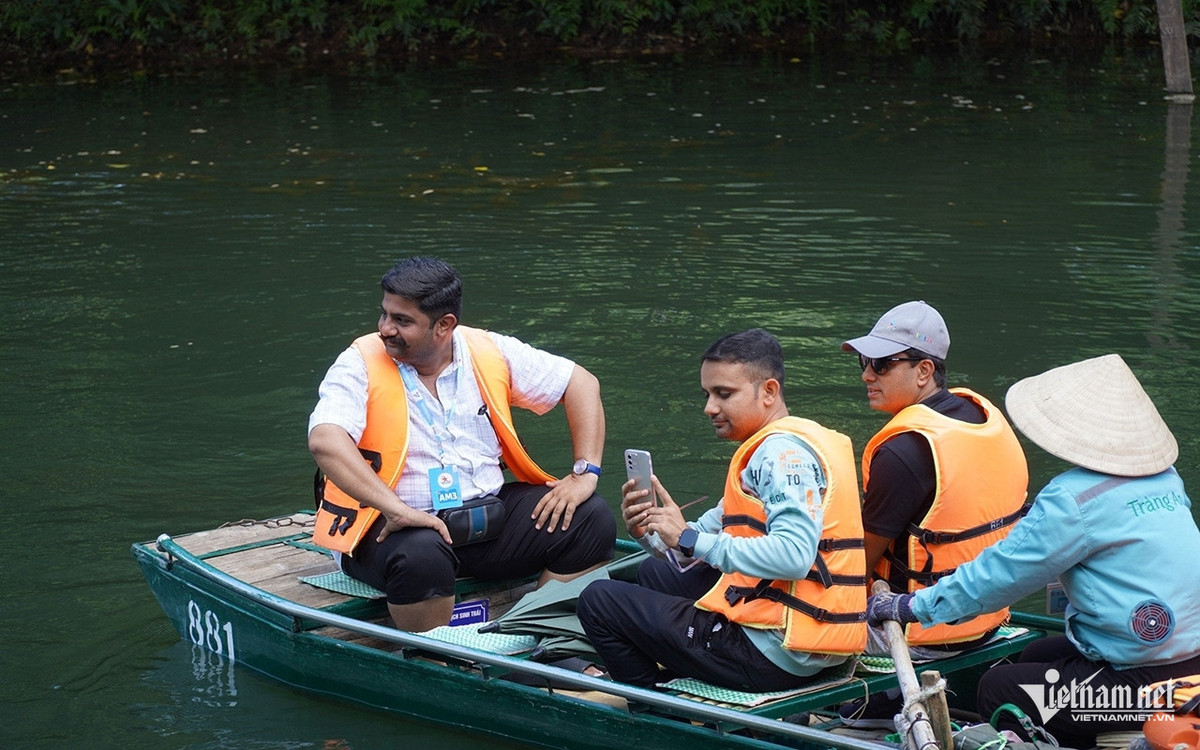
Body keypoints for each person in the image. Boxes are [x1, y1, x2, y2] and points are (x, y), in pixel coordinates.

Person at [867, 353, 1200, 748]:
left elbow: (996, 577)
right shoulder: (1165, 479)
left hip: (1145, 685)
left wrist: (910, 607)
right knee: (1035, 653)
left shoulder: (1074, 498)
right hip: (1186, 658)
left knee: (997, 688)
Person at [308, 256, 616, 632]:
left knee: (590, 518)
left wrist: (585, 472)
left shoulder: (488, 351)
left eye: (402, 321)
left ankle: (534, 630)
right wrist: (397, 510)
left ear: (444, 326)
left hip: (482, 522)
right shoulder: (358, 363)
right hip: (387, 528)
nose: (386, 329)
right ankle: (435, 660)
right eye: (385, 314)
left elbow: (581, 382)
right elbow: (325, 440)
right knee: (421, 553)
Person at [576, 329, 867, 691]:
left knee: (598, 601)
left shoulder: (778, 457)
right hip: (809, 641)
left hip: (775, 654)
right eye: (707, 394)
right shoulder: (789, 443)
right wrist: (647, 530)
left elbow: (794, 556)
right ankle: (684, 668)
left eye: (724, 394)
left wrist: (686, 537)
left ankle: (658, 710)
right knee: (655, 572)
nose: (709, 407)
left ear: (769, 392)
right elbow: (690, 545)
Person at [840, 301, 1029, 661]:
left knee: (772, 618)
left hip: (917, 632)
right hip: (988, 619)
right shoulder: (982, 416)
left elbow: (856, 566)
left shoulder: (903, 451)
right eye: (864, 363)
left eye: (882, 364)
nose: (867, 375)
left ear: (924, 370)